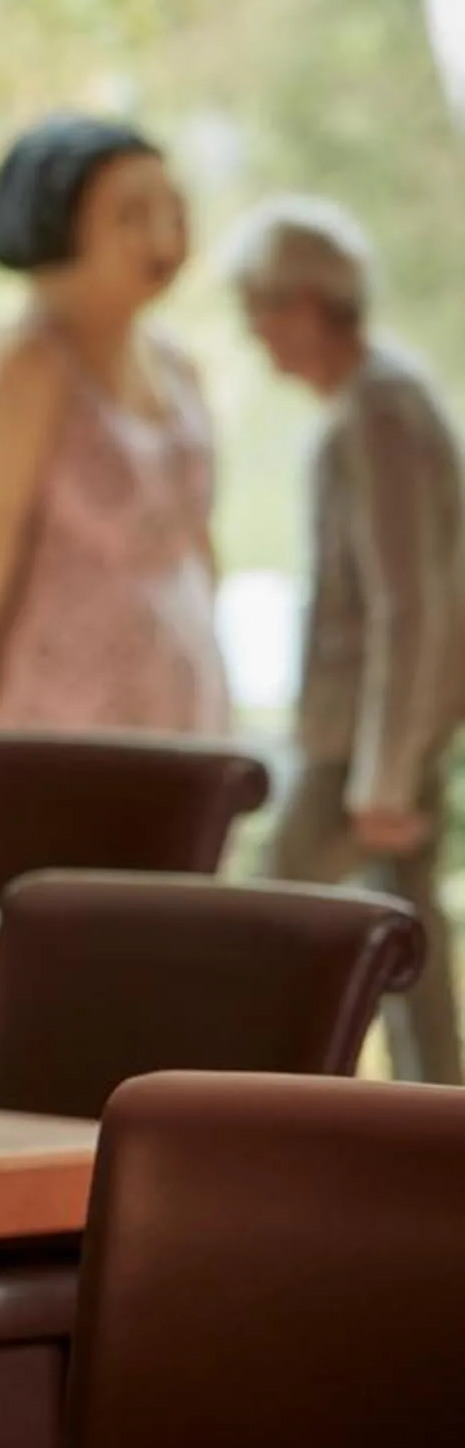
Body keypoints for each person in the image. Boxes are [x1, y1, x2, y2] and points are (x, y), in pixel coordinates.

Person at [0, 116, 230, 871]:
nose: (162, 237)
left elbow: (198, 532)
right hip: (54, 717)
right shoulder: (22, 367)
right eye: (130, 215)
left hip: (178, 713)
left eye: (172, 210)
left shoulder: (179, 368)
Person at [224, 197, 465, 1084]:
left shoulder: (382, 410)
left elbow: (414, 601)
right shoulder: (374, 403)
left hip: (363, 745)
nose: (254, 331)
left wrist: (385, 772)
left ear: (307, 302)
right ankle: (436, 1129)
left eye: (260, 306)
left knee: (267, 921)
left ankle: (252, 1113)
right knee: (411, 946)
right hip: (373, 737)